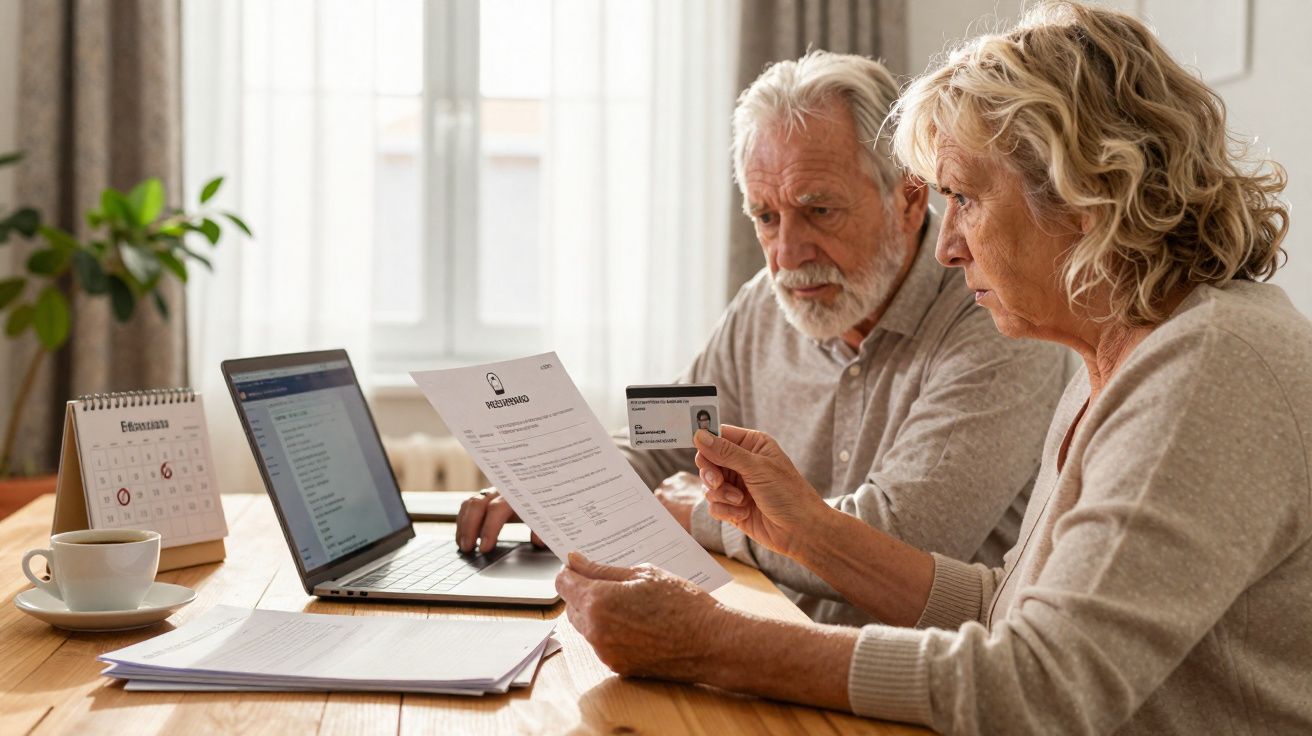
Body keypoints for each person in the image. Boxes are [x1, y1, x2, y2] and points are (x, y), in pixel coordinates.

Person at [555, 3, 1312, 733]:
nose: (948, 246)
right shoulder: (1119, 356)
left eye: (965, 200)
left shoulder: (1208, 367)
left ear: (1087, 195)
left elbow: (1040, 688)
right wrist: (805, 530)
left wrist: (708, 641)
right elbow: (1002, 609)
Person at [458, 51, 1068, 626]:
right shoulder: (766, 300)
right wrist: (560, 487)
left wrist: (700, 516)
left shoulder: (999, 316)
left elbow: (897, 539)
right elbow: (661, 442)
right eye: (767, 217)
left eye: (819, 211)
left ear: (908, 198)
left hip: (911, 678)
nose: (788, 255)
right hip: (775, 645)